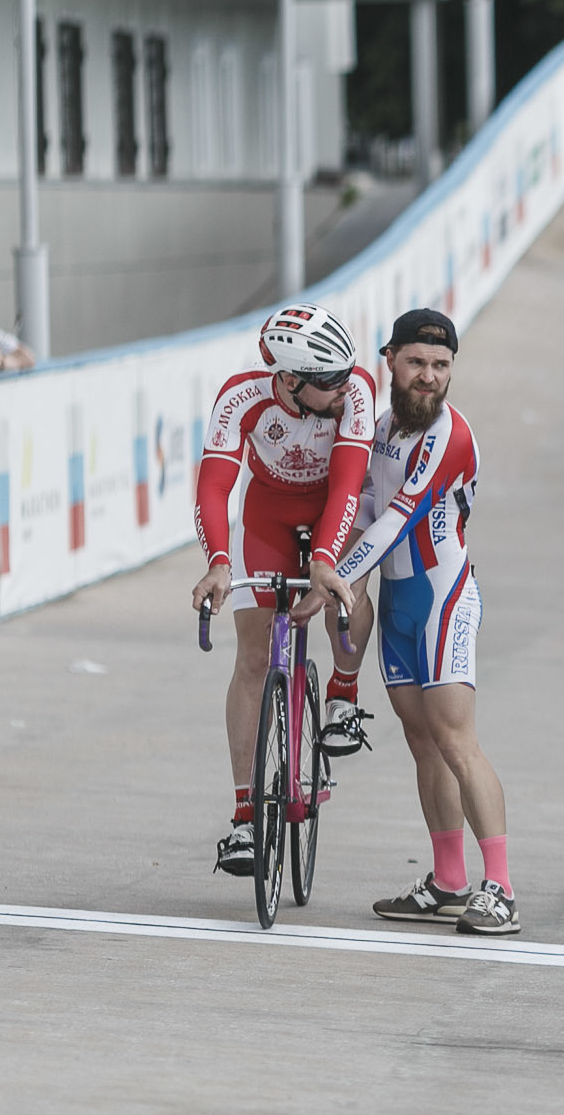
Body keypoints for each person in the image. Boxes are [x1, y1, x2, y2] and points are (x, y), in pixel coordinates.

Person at [338, 311, 518, 935]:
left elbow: (397, 520)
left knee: (455, 740)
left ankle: (500, 887)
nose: (430, 377)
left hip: (443, 599)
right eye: (417, 363)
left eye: (441, 367)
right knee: (422, 742)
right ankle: (447, 882)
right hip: (398, 603)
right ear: (389, 359)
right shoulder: (383, 429)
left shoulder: (451, 433)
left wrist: (340, 574)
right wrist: (339, 571)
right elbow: (363, 505)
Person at [190, 305, 377, 878]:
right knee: (251, 658)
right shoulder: (241, 398)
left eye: (347, 374)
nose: (344, 388)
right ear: (291, 381)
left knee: (345, 590)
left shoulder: (357, 390)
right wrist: (219, 562)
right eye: (329, 382)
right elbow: (214, 487)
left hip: (333, 512)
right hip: (268, 518)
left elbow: (348, 484)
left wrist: (325, 563)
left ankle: (342, 694)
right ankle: (245, 816)